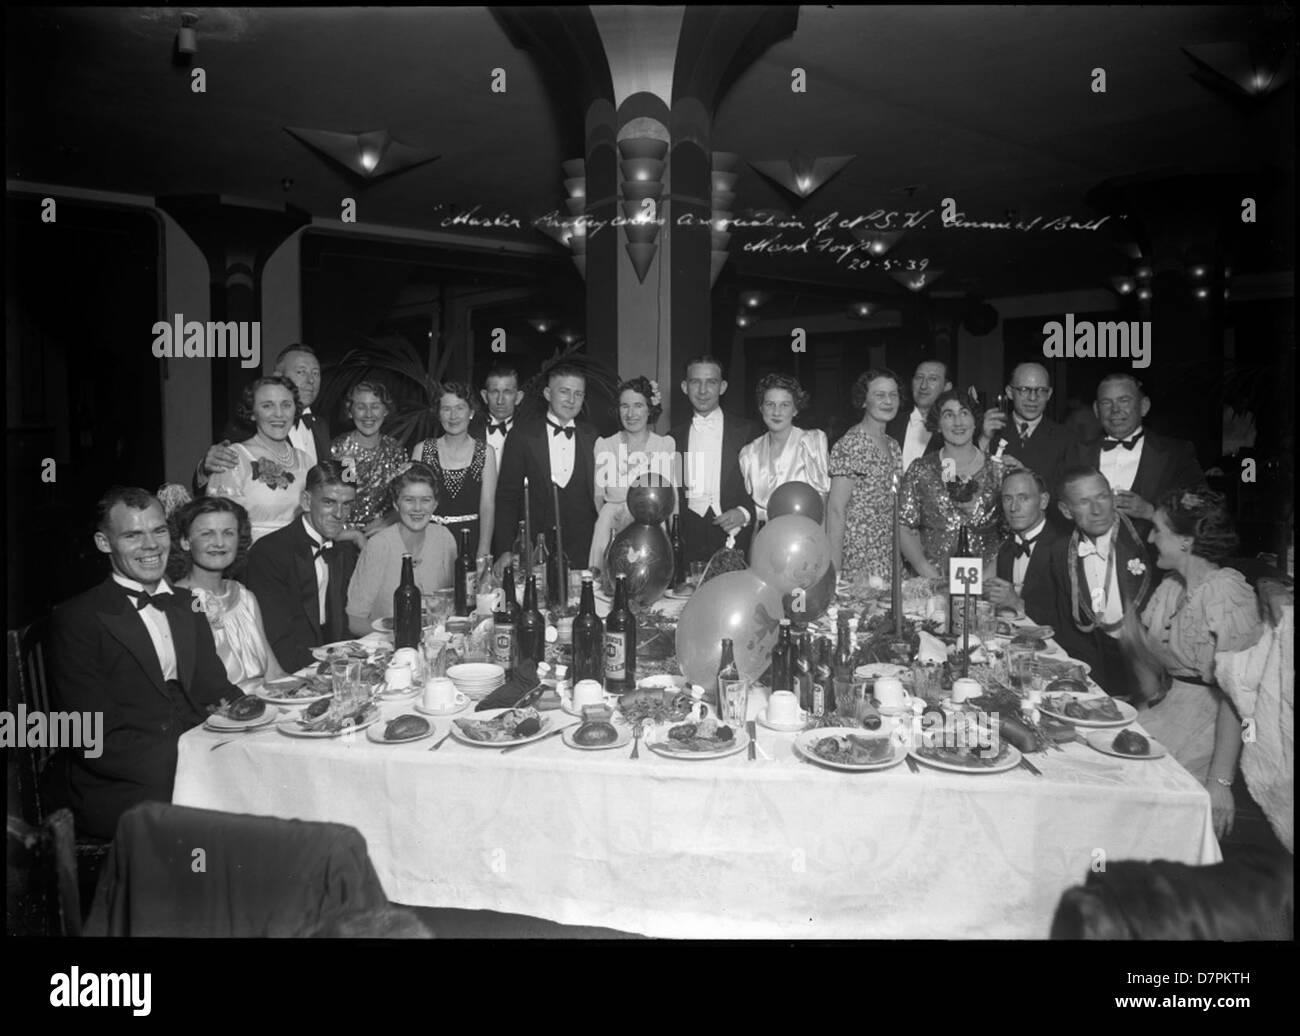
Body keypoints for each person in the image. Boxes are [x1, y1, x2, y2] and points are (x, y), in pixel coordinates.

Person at [45, 487, 244, 841]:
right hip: (124, 785)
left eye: (159, 530)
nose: (151, 545)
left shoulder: (187, 603)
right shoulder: (77, 619)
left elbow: (216, 689)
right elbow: (91, 738)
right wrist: (196, 760)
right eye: (133, 535)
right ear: (104, 543)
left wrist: (258, 720)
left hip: (192, 757)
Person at [1132, 488, 1264, 834]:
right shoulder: (1172, 586)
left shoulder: (1226, 593)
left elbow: (1237, 697)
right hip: (1169, 709)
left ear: (1186, 541)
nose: (1150, 537)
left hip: (1212, 726)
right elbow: (1150, 658)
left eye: (1158, 529)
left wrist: (1220, 782)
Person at [1026, 467, 1158, 695]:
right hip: (1098, 679)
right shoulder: (1061, 553)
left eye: (1103, 497)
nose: (1097, 510)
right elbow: (1067, 627)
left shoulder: (1148, 541)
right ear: (1066, 511)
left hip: (1152, 673)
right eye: (1084, 502)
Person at [246, 461, 361, 673]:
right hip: (290, 668)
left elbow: (342, 623)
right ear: (307, 501)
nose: (339, 513)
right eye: (329, 502)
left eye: (347, 504)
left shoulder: (342, 549)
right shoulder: (270, 552)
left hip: (332, 663)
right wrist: (324, 671)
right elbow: (276, 637)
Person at [166, 496, 289, 692]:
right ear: (185, 541)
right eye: (207, 534)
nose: (220, 543)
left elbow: (274, 673)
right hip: (215, 714)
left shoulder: (245, 596)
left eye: (228, 533)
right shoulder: (176, 603)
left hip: (265, 708)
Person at [1063, 372, 1204, 540]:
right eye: (1106, 402)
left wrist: (1151, 512)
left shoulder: (1176, 454)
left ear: (1144, 406)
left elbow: (1202, 508)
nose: (1115, 410)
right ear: (1096, 410)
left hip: (1154, 561)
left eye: (1124, 401)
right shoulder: (1075, 455)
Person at [492, 365, 598, 577]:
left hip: (584, 551)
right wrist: (504, 550)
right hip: (535, 551)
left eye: (578, 394)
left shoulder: (593, 436)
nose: (571, 400)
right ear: (548, 394)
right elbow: (506, 498)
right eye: (564, 391)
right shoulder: (521, 436)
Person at [898, 389, 1008, 578]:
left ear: (975, 422)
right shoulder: (921, 469)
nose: (958, 422)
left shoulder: (999, 470)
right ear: (938, 425)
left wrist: (988, 578)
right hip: (933, 584)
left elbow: (1009, 530)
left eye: (964, 413)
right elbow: (903, 526)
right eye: (949, 415)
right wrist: (927, 572)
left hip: (987, 582)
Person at [195, 344, 329, 490]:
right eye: (301, 372)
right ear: (278, 377)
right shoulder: (247, 425)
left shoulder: (321, 426)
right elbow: (219, 475)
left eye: (316, 373)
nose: (311, 380)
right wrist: (205, 469)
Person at [669, 355, 760, 564]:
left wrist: (744, 512)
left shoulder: (747, 431)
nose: (702, 391)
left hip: (735, 536)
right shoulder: (672, 438)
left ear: (723, 387)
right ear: (684, 387)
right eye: (695, 382)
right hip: (687, 541)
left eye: (711, 382)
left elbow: (764, 487)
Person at [348, 463, 457, 634]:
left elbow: (451, 606)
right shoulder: (379, 545)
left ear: (435, 504)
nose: (418, 508)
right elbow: (354, 620)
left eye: (425, 500)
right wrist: (394, 641)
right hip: (387, 649)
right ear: (396, 505)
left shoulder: (445, 538)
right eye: (409, 500)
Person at [205, 375, 313, 543]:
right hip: (252, 559)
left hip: (300, 560)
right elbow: (219, 526)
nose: (279, 414)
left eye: (286, 405)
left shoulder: (306, 460)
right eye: (267, 406)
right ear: (252, 413)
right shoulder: (234, 458)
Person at [589, 375, 676, 571]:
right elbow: (598, 497)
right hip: (610, 528)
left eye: (638, 405)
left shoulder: (664, 445)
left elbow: (672, 498)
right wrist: (613, 525)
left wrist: (671, 538)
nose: (631, 413)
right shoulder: (605, 445)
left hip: (651, 529)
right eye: (624, 406)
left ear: (649, 408)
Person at [827, 369, 903, 584]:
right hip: (858, 557)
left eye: (893, 394)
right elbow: (835, 509)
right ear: (863, 401)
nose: (888, 401)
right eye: (879, 395)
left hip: (889, 553)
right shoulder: (850, 444)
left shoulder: (893, 445)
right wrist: (835, 570)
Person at [978, 362, 1076, 526]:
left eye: (1041, 390)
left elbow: (1069, 499)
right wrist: (983, 439)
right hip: (993, 533)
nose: (1033, 398)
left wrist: (1027, 475)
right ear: (1010, 392)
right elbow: (968, 486)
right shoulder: (990, 431)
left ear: (1049, 394)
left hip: (1046, 537)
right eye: (1024, 390)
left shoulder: (1066, 438)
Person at [412, 382, 497, 560]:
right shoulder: (422, 450)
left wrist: (484, 550)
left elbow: (487, 506)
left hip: (470, 541)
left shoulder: (485, 452)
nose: (453, 416)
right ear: (438, 414)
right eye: (446, 409)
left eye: (460, 408)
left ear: (471, 412)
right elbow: (413, 503)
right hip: (429, 540)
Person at [738, 373, 830, 525]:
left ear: (795, 410)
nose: (776, 412)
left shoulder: (812, 442)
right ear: (761, 408)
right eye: (770, 404)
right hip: (764, 539)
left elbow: (824, 501)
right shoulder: (748, 453)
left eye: (784, 405)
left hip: (807, 537)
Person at [329, 380, 407, 539]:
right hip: (345, 538)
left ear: (386, 410)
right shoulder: (342, 450)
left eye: (375, 406)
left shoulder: (395, 450)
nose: (369, 414)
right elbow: (341, 499)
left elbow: (405, 498)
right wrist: (354, 535)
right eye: (361, 407)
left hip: (387, 534)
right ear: (350, 411)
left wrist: (388, 521)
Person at [985, 468, 1066, 620]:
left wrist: (1018, 604)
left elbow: (1072, 622)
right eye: (1008, 499)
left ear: (1043, 501)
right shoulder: (1006, 549)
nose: (1014, 508)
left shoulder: (1065, 548)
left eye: (1023, 498)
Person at [886, 359, 951, 472]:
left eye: (932, 379)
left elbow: (951, 480)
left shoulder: (952, 429)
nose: (923, 386)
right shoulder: (890, 423)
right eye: (919, 378)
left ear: (946, 387)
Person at [474, 364, 524, 473]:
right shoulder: (469, 432)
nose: (500, 401)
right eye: (494, 392)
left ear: (518, 397)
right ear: (484, 396)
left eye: (507, 392)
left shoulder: (530, 433)